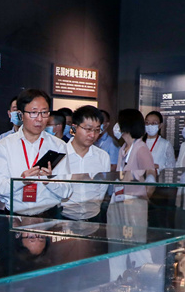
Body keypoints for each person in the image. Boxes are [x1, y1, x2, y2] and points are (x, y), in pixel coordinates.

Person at [0, 89, 68, 216]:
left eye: (44, 113)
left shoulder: (59, 146)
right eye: (33, 113)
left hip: (48, 216)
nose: (39, 119)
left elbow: (66, 191)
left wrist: (49, 181)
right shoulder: (5, 145)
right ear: (21, 115)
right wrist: (21, 181)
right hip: (15, 216)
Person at [107, 109, 156, 280]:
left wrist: (145, 196)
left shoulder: (140, 148)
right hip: (117, 200)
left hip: (134, 203)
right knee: (116, 246)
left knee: (137, 246)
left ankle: (149, 280)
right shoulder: (123, 148)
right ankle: (116, 281)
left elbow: (151, 174)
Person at [54, 105, 111, 222]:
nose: (92, 135)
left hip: (94, 217)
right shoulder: (60, 154)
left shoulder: (103, 156)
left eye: (97, 130)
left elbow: (102, 189)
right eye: (88, 129)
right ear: (74, 128)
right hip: (65, 218)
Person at [96, 108, 120, 173]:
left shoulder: (112, 143)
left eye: (102, 121)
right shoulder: (92, 142)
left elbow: (114, 166)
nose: (98, 124)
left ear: (107, 124)